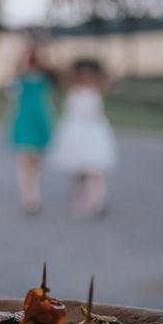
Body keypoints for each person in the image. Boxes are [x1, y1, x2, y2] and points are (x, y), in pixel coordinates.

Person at [48, 59, 117, 218]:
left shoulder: (97, 90)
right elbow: (62, 73)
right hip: (75, 134)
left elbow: (108, 80)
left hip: (93, 133)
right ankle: (79, 202)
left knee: (95, 170)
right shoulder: (73, 89)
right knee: (77, 172)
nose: (86, 76)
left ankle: (98, 201)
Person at [9, 44, 55, 214]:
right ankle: (28, 197)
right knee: (26, 162)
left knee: (33, 162)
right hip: (27, 120)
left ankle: (32, 196)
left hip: (36, 120)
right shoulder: (20, 78)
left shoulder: (41, 78)